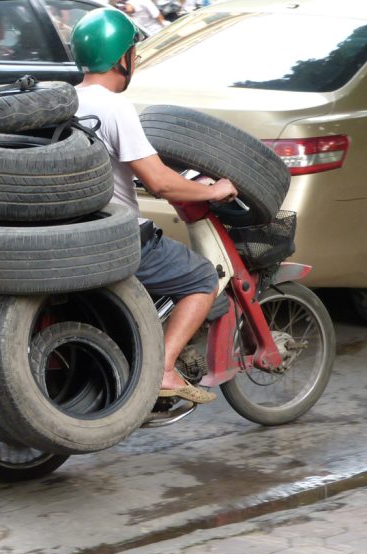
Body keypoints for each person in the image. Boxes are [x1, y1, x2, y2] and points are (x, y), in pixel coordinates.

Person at [71, 8, 238, 404]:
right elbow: (161, 183)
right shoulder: (114, 108)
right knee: (200, 277)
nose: (136, 60)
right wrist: (213, 191)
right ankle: (163, 371)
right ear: (121, 58)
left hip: (73, 235)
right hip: (118, 239)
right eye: (133, 52)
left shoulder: (66, 102)